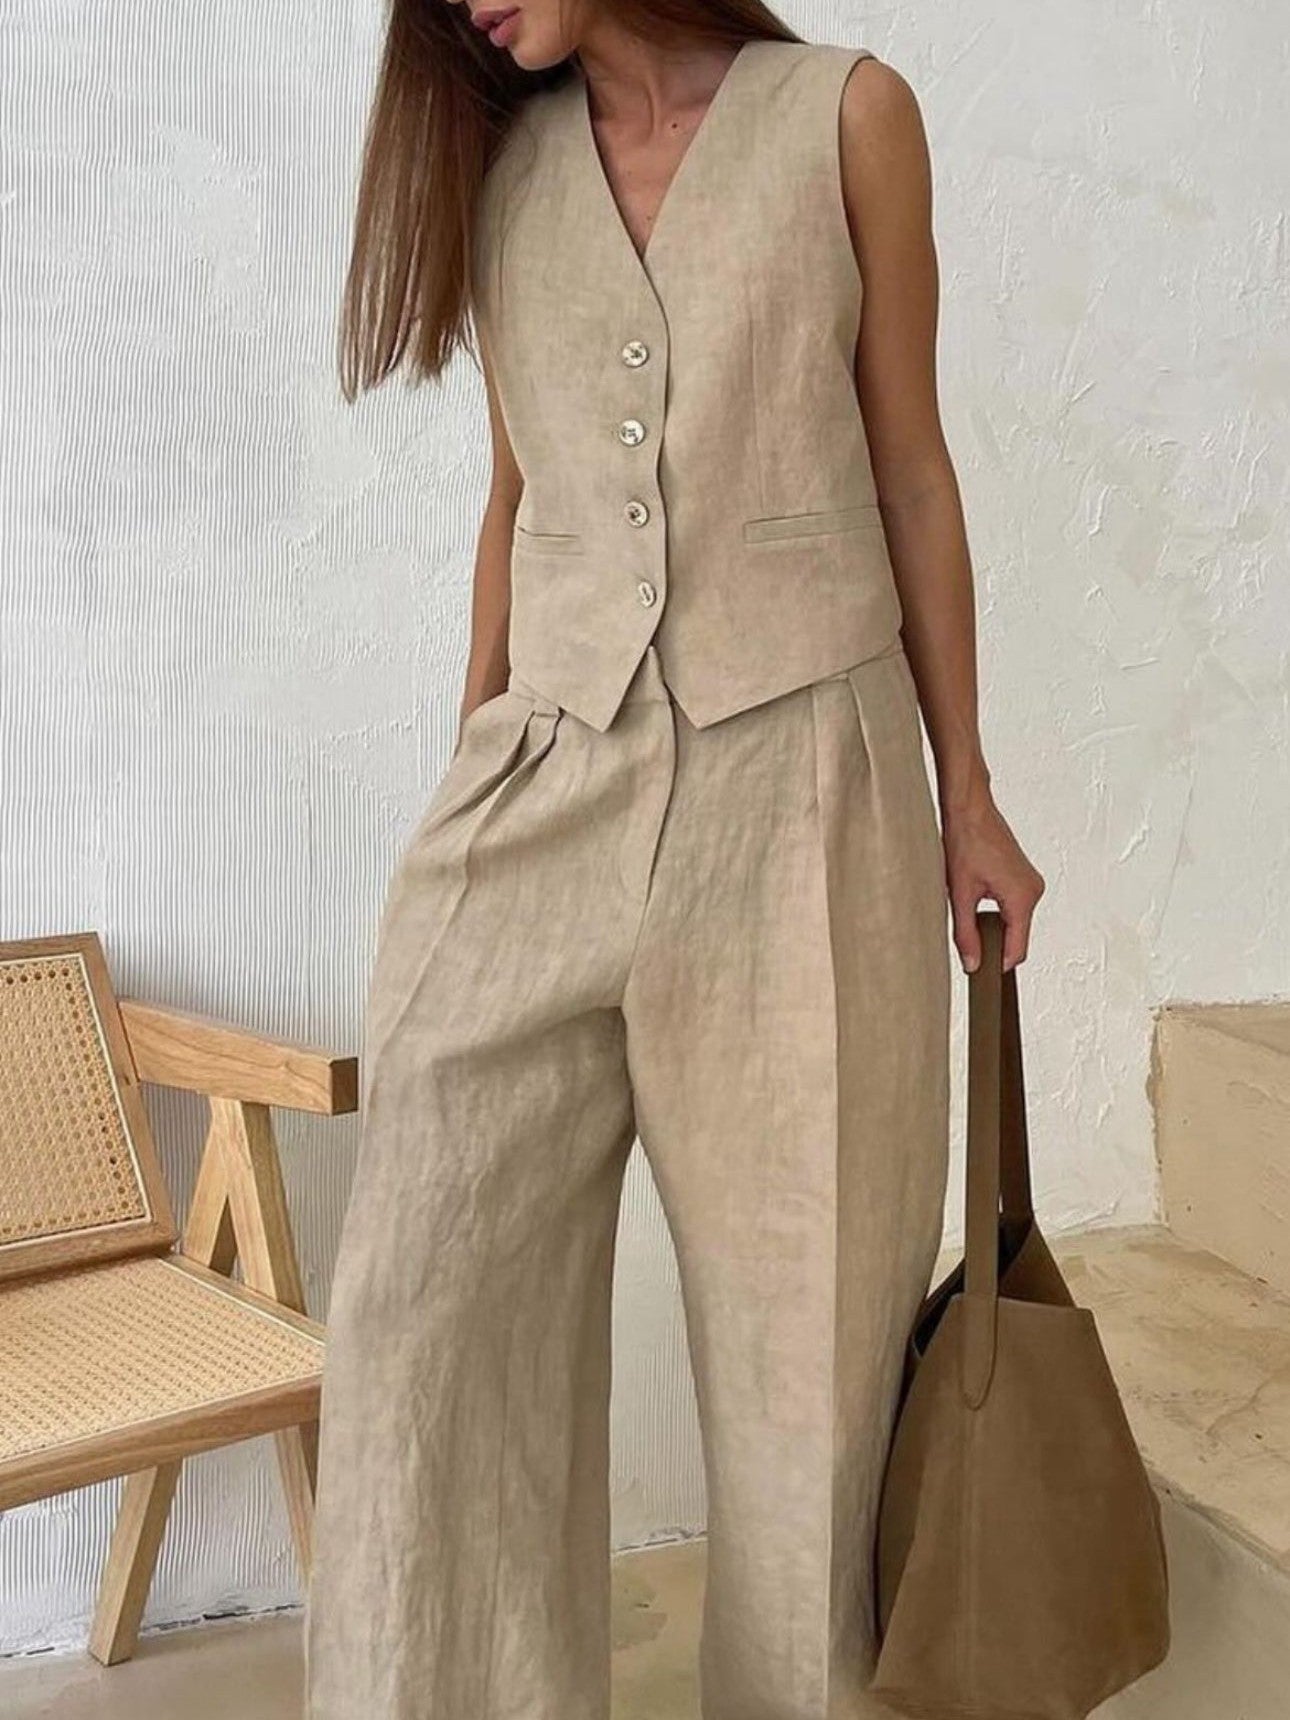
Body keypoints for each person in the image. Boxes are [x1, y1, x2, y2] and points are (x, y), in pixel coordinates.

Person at [305, 3, 1046, 1717]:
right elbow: (517, 500)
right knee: (423, 1333)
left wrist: (971, 797)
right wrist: (468, 767)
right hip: (542, 780)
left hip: (806, 794)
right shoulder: (494, 166)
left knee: (810, 1389)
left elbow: (912, 470)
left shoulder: (847, 116)